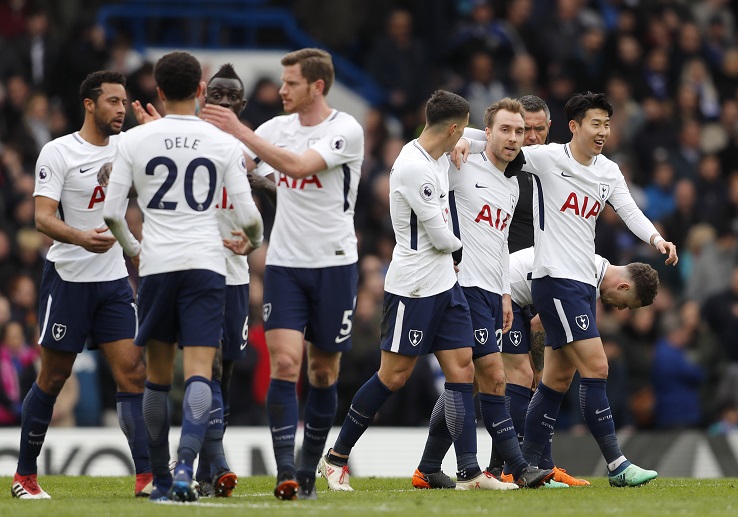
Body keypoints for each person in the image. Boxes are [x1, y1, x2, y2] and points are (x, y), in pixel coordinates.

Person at [316, 90, 511, 492]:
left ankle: (471, 472)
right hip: (414, 287)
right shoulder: (412, 167)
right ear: (452, 127)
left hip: (445, 283)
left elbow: (483, 139)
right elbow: (440, 236)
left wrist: (461, 138)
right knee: (394, 375)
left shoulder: (438, 151)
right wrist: (466, 246)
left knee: (462, 370)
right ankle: (335, 459)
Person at [200, 48, 363, 501]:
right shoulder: (274, 129)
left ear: (317, 86)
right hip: (285, 265)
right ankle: (286, 472)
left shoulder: (344, 129)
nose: (280, 90)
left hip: (334, 264)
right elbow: (229, 167)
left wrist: (239, 131)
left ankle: (310, 469)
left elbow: (296, 166)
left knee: (324, 371)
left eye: (290, 83)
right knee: (286, 363)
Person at [102, 51, 264, 502]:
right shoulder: (224, 144)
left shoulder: (134, 141)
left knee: (156, 378)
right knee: (199, 374)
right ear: (199, 91)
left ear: (157, 91)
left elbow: (113, 213)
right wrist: (252, 239)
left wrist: (136, 251)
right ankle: (186, 469)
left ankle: (158, 477)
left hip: (158, 266)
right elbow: (249, 217)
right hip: (207, 268)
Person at [515, 92, 677, 487]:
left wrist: (656, 239)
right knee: (598, 367)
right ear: (574, 126)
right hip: (555, 278)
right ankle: (618, 465)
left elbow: (630, 211)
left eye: (607, 123)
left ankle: (526, 469)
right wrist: (463, 136)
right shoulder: (549, 159)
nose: (603, 131)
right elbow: (499, 141)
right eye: (595, 123)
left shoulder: (608, 171)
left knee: (556, 380)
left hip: (583, 282)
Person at [12, 70, 151, 500]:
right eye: (113, 101)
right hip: (68, 278)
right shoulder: (57, 152)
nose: (121, 109)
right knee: (53, 377)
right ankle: (24, 477)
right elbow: (42, 218)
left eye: (124, 102)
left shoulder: (128, 146)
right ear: (89, 104)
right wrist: (81, 237)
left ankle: (147, 477)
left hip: (112, 282)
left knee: (133, 373)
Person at [412, 97, 553, 490]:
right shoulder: (461, 164)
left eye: (519, 132)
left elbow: (499, 243)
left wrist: (506, 293)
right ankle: (507, 468)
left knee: (471, 381)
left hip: (493, 291)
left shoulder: (512, 183)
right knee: (491, 375)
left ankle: (427, 467)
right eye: (505, 130)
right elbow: (433, 141)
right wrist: (468, 141)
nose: (513, 138)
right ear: (488, 131)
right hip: (463, 286)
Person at [461, 95, 588, 487]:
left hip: (539, 285)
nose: (528, 136)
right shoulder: (504, 169)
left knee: (527, 377)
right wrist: (468, 140)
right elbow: (459, 134)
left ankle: (525, 464)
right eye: (521, 129)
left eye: (536, 129)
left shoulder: (556, 169)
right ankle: (519, 466)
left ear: (550, 128)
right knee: (508, 375)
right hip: (507, 286)